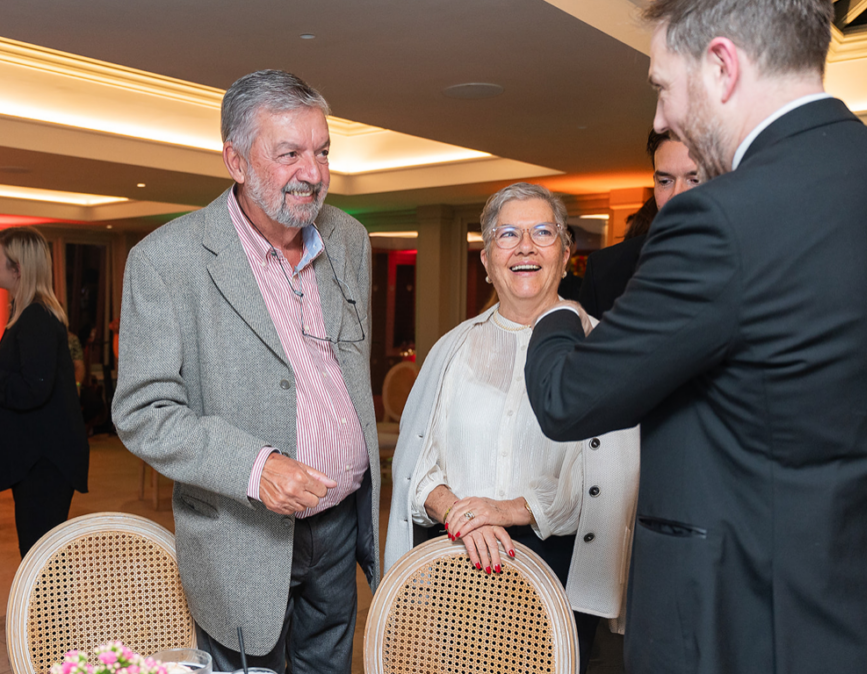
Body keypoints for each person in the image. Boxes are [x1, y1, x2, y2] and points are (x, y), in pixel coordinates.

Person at [523, 1, 867, 672]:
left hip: (757, 629)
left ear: (721, 66)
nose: (660, 118)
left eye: (661, 86)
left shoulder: (723, 220)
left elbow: (570, 398)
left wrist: (558, 312)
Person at [111, 70, 379, 674]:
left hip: (340, 523)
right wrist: (257, 467)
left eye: (322, 151)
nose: (312, 172)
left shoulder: (349, 238)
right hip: (242, 533)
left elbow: (342, 368)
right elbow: (144, 413)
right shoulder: (165, 260)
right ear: (235, 159)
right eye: (289, 154)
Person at [386, 182, 639, 673]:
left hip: (555, 568)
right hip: (458, 566)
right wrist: (460, 512)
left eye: (543, 232)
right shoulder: (451, 350)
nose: (525, 246)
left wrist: (502, 511)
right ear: (486, 259)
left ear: (566, 254)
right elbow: (417, 462)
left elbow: (609, 479)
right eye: (508, 235)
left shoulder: (603, 350)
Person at [0, 227, 89, 557]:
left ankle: (48, 612)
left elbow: (32, 390)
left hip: (45, 463)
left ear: (18, 267)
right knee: (43, 558)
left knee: (42, 561)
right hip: (39, 458)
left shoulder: (36, 316)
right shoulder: (29, 312)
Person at [578, 130, 699, 319]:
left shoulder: (755, 265)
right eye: (665, 181)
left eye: (694, 180)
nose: (676, 195)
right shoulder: (605, 270)